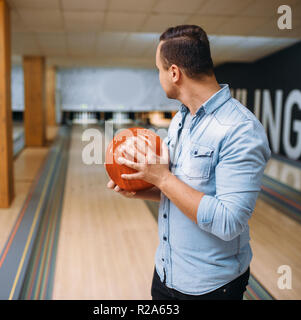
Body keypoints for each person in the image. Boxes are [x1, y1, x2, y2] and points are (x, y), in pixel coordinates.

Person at [106, 25, 271, 300]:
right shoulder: (182, 119)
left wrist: (161, 177)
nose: (158, 77)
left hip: (211, 287)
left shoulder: (240, 130)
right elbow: (183, 192)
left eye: (158, 69)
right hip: (167, 272)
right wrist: (140, 189)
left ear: (174, 72)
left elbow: (229, 222)